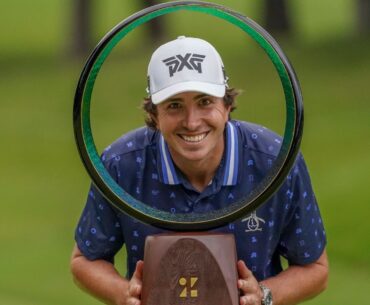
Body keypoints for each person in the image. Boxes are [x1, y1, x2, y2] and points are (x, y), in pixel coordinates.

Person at [70, 36, 328, 305]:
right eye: (174, 105)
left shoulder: (276, 162)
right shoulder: (121, 165)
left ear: (226, 106)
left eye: (205, 102)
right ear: (154, 115)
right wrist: (123, 294)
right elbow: (85, 260)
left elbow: (315, 269)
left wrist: (263, 295)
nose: (192, 122)